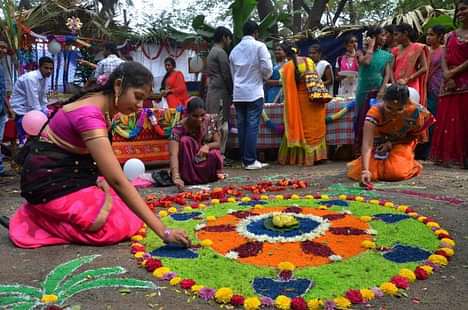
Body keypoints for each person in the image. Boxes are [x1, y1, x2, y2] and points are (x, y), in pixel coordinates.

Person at [7, 62, 190, 248]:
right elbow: (117, 180)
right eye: (138, 97)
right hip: (50, 183)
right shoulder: (89, 115)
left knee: (128, 212)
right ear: (118, 85)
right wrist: (164, 231)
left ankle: (44, 212)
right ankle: (37, 219)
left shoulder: (102, 104)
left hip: (73, 176)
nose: (140, 106)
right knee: (114, 227)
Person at [347, 84, 435, 185]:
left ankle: (411, 163)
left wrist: (391, 144)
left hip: (402, 142)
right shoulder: (375, 112)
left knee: (396, 173)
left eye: (399, 109)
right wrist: (365, 171)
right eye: (389, 108)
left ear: (407, 104)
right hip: (378, 143)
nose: (393, 113)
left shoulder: (415, 113)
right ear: (383, 101)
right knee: (369, 172)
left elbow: (414, 136)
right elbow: (367, 144)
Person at [229, 20, 273, 170]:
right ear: (256, 33)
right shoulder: (260, 46)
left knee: (242, 127)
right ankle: (250, 160)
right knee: (252, 126)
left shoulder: (234, 50)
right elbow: (267, 69)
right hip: (254, 92)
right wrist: (263, 77)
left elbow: (233, 73)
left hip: (239, 93)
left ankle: (245, 159)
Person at [430, 0, 468, 168]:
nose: (460, 12)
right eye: (458, 10)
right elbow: (444, 56)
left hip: (465, 80)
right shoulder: (450, 35)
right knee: (450, 118)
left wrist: (453, 72)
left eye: (464, 9)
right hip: (449, 82)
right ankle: (450, 157)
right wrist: (447, 74)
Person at [278, 43, 327, 166]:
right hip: (313, 99)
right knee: (313, 127)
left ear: (286, 54)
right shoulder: (309, 61)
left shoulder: (287, 67)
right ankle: (318, 156)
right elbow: (316, 80)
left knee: (302, 128)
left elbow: (286, 88)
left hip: (298, 101)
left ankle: (300, 158)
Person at [169, 97, 224, 191]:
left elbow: (218, 143)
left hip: (203, 158)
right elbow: (173, 154)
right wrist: (176, 177)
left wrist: (207, 146)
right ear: (188, 114)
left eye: (202, 115)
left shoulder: (209, 120)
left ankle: (209, 176)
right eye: (195, 116)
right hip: (189, 163)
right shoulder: (179, 128)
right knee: (185, 141)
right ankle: (189, 177)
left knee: (214, 153)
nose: (199, 119)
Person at [354, 27, 393, 153]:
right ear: (374, 37)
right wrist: (370, 47)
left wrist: (382, 90)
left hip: (378, 90)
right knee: (362, 119)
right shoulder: (360, 52)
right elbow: (366, 62)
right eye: (382, 35)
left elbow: (387, 74)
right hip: (363, 91)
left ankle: (376, 149)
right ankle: (361, 150)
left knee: (377, 119)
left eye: (385, 36)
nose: (385, 38)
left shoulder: (388, 55)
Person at [10, 56, 54, 145]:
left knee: (48, 115)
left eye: (51, 68)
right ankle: (23, 144)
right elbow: (33, 101)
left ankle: (36, 143)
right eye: (46, 68)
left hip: (32, 108)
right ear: (39, 67)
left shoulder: (44, 78)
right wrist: (42, 116)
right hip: (21, 109)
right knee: (26, 139)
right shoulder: (30, 78)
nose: (49, 71)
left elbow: (43, 99)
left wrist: (46, 111)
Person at [418, 25, 446, 159]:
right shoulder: (424, 50)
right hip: (424, 88)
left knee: (436, 119)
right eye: (427, 35)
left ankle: (434, 152)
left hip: (438, 87)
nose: (428, 37)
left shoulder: (444, 50)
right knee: (424, 119)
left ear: (440, 37)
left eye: (432, 35)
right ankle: (423, 151)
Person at [205, 26, 233, 159]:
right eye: (229, 39)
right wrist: (232, 91)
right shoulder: (221, 53)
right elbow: (226, 75)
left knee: (214, 123)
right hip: (221, 93)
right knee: (222, 124)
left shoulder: (212, 52)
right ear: (224, 38)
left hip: (212, 91)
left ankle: (215, 154)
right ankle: (220, 154)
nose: (230, 42)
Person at [392, 23, 430, 106]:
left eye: (396, 35)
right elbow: (392, 69)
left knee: (410, 110)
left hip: (412, 84)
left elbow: (424, 68)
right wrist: (394, 83)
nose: (394, 38)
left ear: (405, 33)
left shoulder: (418, 47)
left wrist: (407, 79)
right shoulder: (395, 50)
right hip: (397, 84)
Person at [0, 41, 14, 177]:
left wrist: (8, 107)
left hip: (1, 109)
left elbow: (2, 91)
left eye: (5, 48)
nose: (3, 50)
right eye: (1, 47)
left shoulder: (2, 66)